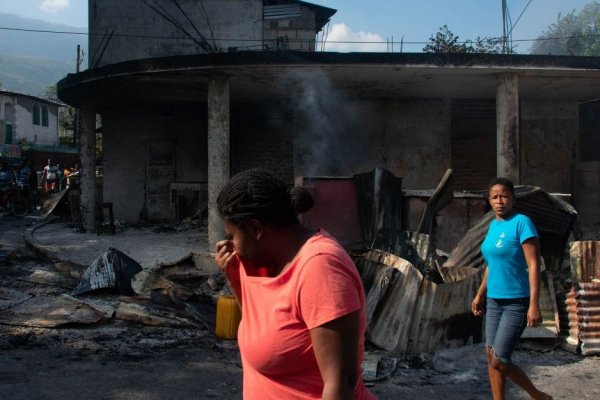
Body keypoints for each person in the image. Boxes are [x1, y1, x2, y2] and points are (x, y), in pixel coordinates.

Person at [215, 168, 376, 400]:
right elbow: (266, 330)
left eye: (232, 235)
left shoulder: (321, 269)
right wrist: (234, 280)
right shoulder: (265, 262)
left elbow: (340, 384)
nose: (229, 245)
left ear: (256, 229)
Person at [471, 177, 552, 400]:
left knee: (499, 359)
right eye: (495, 197)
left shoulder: (522, 223)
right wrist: (480, 294)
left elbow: (534, 264)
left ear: (513, 199)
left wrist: (534, 305)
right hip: (494, 302)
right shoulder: (493, 226)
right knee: (491, 356)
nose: (500, 201)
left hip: (516, 301)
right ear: (489, 200)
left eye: (504, 196)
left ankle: (539, 396)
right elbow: (490, 265)